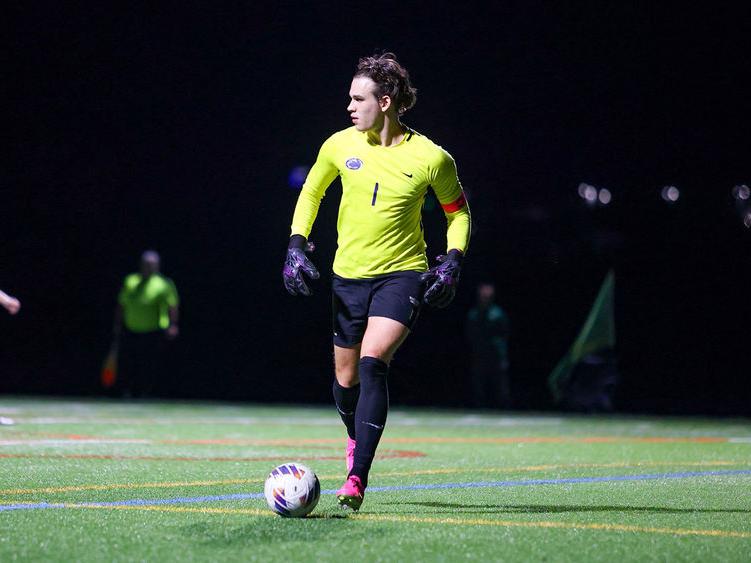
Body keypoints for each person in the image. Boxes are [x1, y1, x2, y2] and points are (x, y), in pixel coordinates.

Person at [282, 53, 471, 511]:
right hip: (348, 276)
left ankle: (357, 477)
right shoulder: (338, 145)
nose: (349, 105)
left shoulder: (431, 157)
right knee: (344, 378)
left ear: (384, 102)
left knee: (372, 363)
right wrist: (295, 243)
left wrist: (452, 260)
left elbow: (458, 212)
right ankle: (354, 441)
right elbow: (312, 190)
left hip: (402, 273)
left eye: (357, 98)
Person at [112, 250, 179, 397]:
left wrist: (173, 325)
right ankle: (126, 392)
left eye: (152, 264)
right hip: (130, 329)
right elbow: (121, 304)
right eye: (146, 264)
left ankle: (146, 393)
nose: (149, 267)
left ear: (157, 266)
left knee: (149, 364)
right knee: (128, 362)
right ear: (141, 264)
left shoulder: (164, 284)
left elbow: (172, 306)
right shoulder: (130, 281)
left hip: (153, 330)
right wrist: (118, 324)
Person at [465, 283, 511, 408]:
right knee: (478, 384)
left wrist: (503, 356)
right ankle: (479, 407)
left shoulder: (498, 314)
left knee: (500, 385)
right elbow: (470, 334)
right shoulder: (474, 314)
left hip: (496, 354)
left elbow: (505, 335)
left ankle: (504, 408)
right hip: (479, 354)